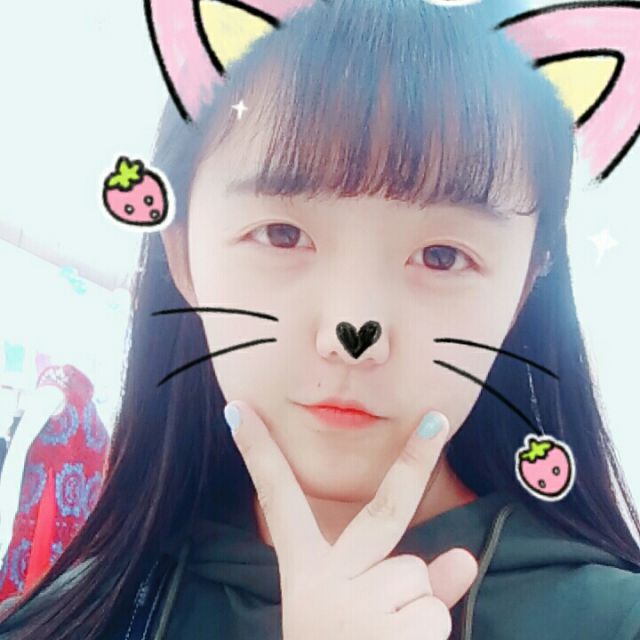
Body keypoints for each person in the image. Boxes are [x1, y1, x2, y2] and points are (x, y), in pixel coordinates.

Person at [1, 0, 639, 638]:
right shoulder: (60, 622)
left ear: (523, 288)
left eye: (443, 256)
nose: (354, 334)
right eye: (281, 234)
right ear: (183, 255)